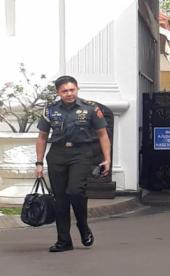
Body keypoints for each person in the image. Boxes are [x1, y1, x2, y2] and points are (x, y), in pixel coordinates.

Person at [35, 75, 111, 253]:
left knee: (75, 191)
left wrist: (107, 158)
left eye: (72, 90)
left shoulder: (90, 108)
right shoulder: (50, 110)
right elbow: (42, 138)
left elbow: (102, 134)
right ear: (58, 92)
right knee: (60, 198)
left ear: (77, 89)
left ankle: (83, 226)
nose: (69, 93)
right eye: (64, 91)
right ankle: (63, 241)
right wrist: (39, 163)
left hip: (81, 153)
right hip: (57, 155)